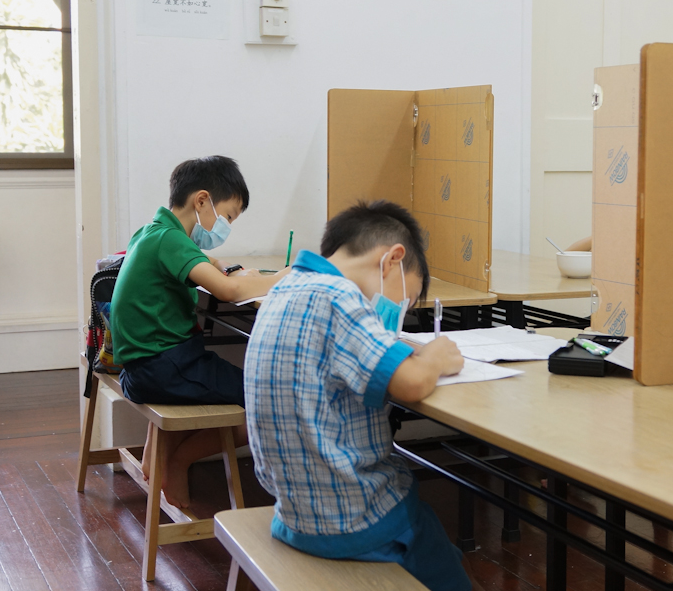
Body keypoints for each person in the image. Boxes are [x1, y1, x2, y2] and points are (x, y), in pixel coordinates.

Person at [244, 200, 475, 591]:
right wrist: (435, 356)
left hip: (294, 512)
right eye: (403, 298)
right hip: (351, 518)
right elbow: (414, 383)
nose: (394, 311)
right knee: (432, 538)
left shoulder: (286, 287)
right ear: (392, 260)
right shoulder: (339, 297)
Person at [110, 155, 289, 508]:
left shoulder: (153, 232)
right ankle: (179, 461)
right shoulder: (172, 242)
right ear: (202, 200)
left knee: (218, 377)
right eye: (228, 216)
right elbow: (228, 292)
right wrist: (283, 277)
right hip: (165, 368)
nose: (226, 227)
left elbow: (206, 266)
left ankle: (156, 455)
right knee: (271, 403)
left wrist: (220, 265)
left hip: (144, 366)